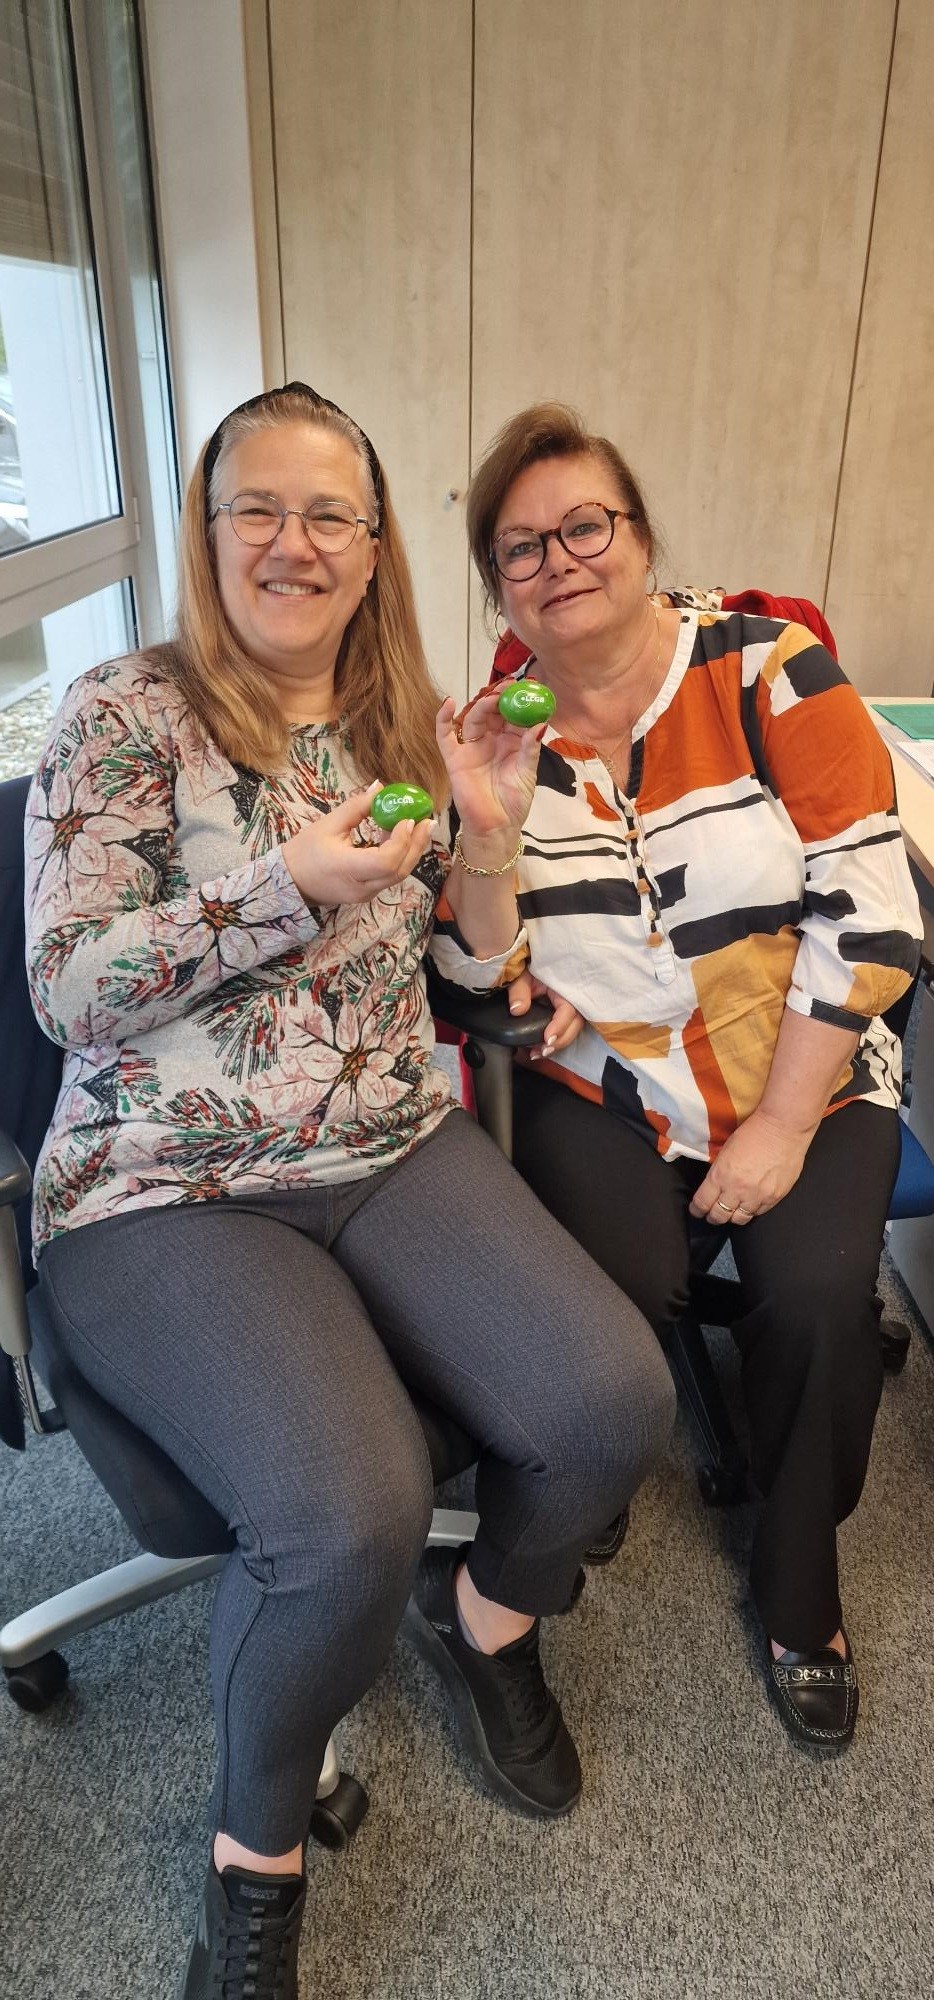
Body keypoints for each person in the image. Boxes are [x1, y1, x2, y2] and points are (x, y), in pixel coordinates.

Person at [24, 383, 674, 1998]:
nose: (293, 542)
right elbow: (67, 990)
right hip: (163, 1184)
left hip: (384, 1143)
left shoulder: (405, 725)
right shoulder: (121, 713)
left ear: (375, 550)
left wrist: (487, 836)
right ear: (207, 529)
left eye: (331, 514)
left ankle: (489, 1620)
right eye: (258, 506)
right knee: (344, 1516)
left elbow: (465, 974)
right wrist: (278, 887)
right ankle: (254, 1866)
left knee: (612, 1403)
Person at [429, 399, 923, 1753]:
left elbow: (873, 913)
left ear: (641, 537)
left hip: (809, 1066)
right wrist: (483, 838)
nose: (559, 561)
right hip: (610, 1079)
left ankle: (800, 1592)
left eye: (585, 526)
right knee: (600, 1302)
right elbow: (473, 974)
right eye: (521, 548)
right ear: (499, 589)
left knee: (813, 1301)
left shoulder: (768, 670)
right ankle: (568, 1494)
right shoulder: (499, 736)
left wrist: (781, 1124)